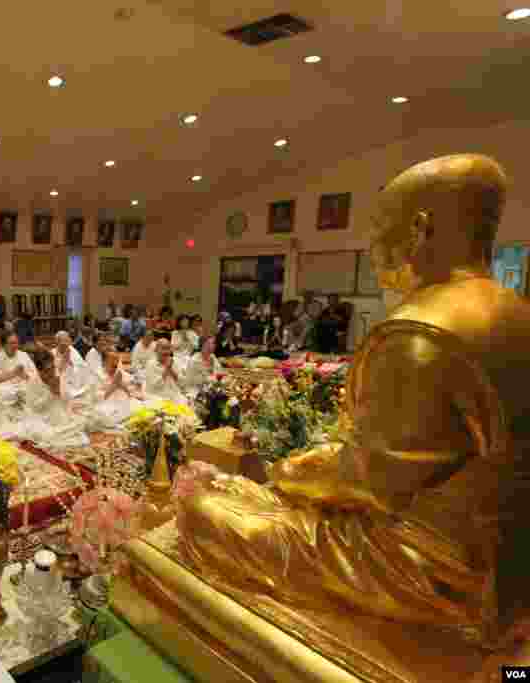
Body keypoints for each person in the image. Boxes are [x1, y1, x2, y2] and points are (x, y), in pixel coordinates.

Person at [177, 154, 530, 649]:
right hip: (506, 560)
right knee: (253, 494)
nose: (373, 247)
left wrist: (291, 472)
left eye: (379, 230)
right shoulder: (514, 312)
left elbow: (367, 485)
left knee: (205, 510)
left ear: (420, 229)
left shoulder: (421, 331)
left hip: (437, 572)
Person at [20, 350, 89, 450]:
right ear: (39, 370)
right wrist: (50, 393)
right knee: (45, 435)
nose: (52, 371)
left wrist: (59, 392)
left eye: (53, 367)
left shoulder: (57, 377)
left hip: (60, 416)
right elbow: (34, 408)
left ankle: (62, 435)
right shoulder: (33, 382)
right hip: (42, 420)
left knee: (83, 422)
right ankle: (59, 437)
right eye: (47, 370)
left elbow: (68, 400)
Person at [86, 351, 145, 433]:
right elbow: (96, 398)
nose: (116, 363)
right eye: (112, 360)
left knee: (141, 408)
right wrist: (114, 385)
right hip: (106, 405)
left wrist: (123, 386)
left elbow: (132, 391)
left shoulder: (120, 373)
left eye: (117, 360)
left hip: (124, 402)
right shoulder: (96, 375)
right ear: (104, 362)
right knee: (102, 417)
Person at [0, 333, 37, 421]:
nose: (14, 345)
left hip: (24, 386)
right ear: (4, 345)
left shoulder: (24, 355)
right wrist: (13, 373)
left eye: (16, 343)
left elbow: (35, 375)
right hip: (5, 389)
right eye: (11, 343)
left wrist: (24, 375)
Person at [142, 340, 188, 404]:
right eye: (163, 348)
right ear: (156, 350)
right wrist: (166, 368)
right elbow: (155, 385)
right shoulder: (150, 364)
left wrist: (171, 369)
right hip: (157, 397)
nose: (166, 352)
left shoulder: (175, 362)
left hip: (174, 396)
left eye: (168, 348)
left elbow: (182, 383)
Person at [52, 331, 91, 401]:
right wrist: (64, 360)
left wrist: (72, 365)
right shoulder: (53, 352)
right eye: (62, 342)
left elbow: (83, 366)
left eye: (67, 341)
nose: (65, 344)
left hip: (76, 381)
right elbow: (57, 373)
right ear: (57, 343)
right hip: (63, 384)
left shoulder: (72, 350)